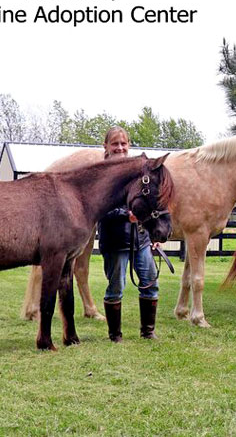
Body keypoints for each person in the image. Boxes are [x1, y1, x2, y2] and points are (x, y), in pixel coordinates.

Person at [98, 126, 160, 341]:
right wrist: (126, 215)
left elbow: (146, 202)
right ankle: (115, 335)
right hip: (115, 242)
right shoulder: (100, 174)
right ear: (106, 146)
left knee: (150, 283)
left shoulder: (137, 171)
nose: (120, 147)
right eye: (115, 143)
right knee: (116, 288)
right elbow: (100, 208)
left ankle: (148, 332)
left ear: (129, 145)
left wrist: (154, 235)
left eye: (123, 143)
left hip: (141, 240)